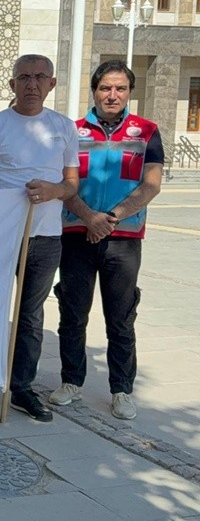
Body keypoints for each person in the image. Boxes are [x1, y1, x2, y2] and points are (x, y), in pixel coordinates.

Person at [0, 54, 80, 424]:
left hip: (45, 238)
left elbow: (71, 184)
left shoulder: (63, 127)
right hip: (0, 237)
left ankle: (21, 387)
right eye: (25, 77)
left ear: (52, 84)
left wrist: (54, 190)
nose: (32, 84)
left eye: (40, 77)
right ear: (12, 83)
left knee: (30, 316)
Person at [50, 60, 164, 420]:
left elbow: (151, 185)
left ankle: (121, 389)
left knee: (121, 318)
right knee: (72, 313)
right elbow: (63, 183)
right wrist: (88, 217)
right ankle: (71, 381)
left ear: (129, 92)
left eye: (120, 88)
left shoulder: (147, 132)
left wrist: (110, 218)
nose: (112, 95)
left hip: (123, 239)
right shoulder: (73, 131)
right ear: (94, 91)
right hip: (76, 235)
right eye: (105, 88)